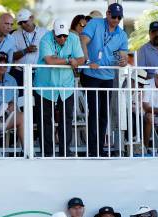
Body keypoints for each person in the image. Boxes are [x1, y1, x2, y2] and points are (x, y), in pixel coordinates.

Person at [79, 3, 128, 157]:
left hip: (108, 76)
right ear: (107, 14)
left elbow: (123, 55)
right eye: (114, 16)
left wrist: (123, 60)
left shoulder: (122, 34)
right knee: (94, 112)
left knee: (104, 113)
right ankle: (93, 151)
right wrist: (87, 62)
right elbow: (83, 41)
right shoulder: (95, 23)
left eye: (119, 17)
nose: (116, 20)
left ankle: (100, 148)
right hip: (91, 75)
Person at [34, 18, 85, 157]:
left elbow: (81, 59)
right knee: (45, 120)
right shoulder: (45, 39)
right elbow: (50, 61)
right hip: (45, 85)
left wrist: (73, 61)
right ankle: (47, 153)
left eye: (65, 35)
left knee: (67, 119)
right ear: (53, 33)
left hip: (66, 85)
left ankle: (65, 152)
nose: (62, 38)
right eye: (59, 36)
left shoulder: (73, 38)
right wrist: (69, 60)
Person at [0, 52, 23, 149]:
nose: (2, 66)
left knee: (23, 116)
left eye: (5, 63)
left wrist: (12, 104)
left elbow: (14, 99)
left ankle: (27, 151)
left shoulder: (12, 80)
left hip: (5, 118)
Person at [12, 9, 48, 86]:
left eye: (25, 21)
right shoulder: (15, 34)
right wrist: (26, 50)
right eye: (20, 23)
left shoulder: (44, 32)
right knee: (20, 98)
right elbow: (12, 56)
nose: (23, 25)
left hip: (39, 73)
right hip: (20, 73)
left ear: (32, 18)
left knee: (38, 97)